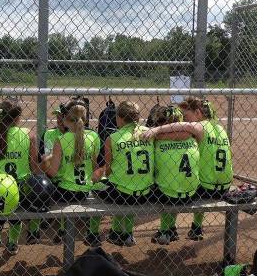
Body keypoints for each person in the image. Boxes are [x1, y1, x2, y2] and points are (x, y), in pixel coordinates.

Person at [148, 98, 233, 241]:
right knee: (186, 176)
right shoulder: (220, 129)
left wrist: (156, 131)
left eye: (186, 116)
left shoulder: (199, 127)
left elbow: (184, 131)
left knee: (174, 180)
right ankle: (196, 227)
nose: (184, 120)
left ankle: (167, 229)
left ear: (198, 112)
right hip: (224, 187)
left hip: (205, 188)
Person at [0, 100, 39, 256]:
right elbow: (34, 167)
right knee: (15, 213)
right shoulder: (28, 134)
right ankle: (12, 242)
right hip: (20, 188)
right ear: (18, 118)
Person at [92, 101, 154, 247]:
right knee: (128, 182)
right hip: (145, 194)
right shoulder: (148, 133)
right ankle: (127, 233)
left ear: (119, 118)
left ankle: (109, 232)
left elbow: (108, 171)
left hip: (121, 195)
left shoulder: (112, 138)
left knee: (97, 186)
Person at [142, 105, 202, 246]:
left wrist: (156, 132)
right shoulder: (193, 137)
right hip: (191, 194)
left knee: (161, 181)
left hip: (167, 195)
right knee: (175, 180)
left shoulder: (157, 141)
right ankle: (172, 228)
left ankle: (165, 231)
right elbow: (184, 132)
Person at [45, 101, 101, 247]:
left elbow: (53, 172)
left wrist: (45, 162)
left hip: (66, 193)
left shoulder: (61, 140)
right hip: (85, 191)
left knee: (46, 184)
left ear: (66, 119)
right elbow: (94, 167)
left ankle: (62, 229)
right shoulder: (92, 137)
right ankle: (92, 232)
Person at [27, 103, 67, 244]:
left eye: (62, 116)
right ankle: (34, 231)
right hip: (50, 176)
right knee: (38, 186)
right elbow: (41, 161)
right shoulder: (49, 134)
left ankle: (62, 229)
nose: (59, 120)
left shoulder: (77, 135)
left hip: (67, 179)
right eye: (58, 116)